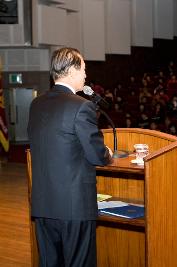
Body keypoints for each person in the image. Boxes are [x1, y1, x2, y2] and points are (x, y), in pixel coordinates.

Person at [27, 47, 113, 267]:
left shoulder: (36, 104)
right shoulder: (81, 107)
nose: (86, 75)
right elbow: (97, 156)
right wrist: (108, 154)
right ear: (73, 71)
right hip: (74, 207)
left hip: (43, 205)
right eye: (84, 69)